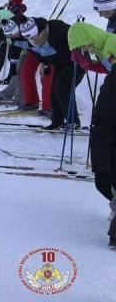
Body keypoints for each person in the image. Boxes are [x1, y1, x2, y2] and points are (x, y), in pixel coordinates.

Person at [67, 22, 116, 247]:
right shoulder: (101, 46)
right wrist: (89, 64)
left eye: (82, 47)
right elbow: (109, 69)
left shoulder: (111, 44)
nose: (84, 49)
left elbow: (111, 67)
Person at [19, 17, 81, 130]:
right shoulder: (32, 40)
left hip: (76, 61)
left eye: (34, 37)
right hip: (60, 63)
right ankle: (57, 121)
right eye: (30, 38)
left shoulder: (57, 29)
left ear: (40, 31)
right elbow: (39, 52)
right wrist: (45, 63)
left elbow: (77, 36)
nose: (33, 40)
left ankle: (73, 122)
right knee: (53, 92)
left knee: (62, 89)